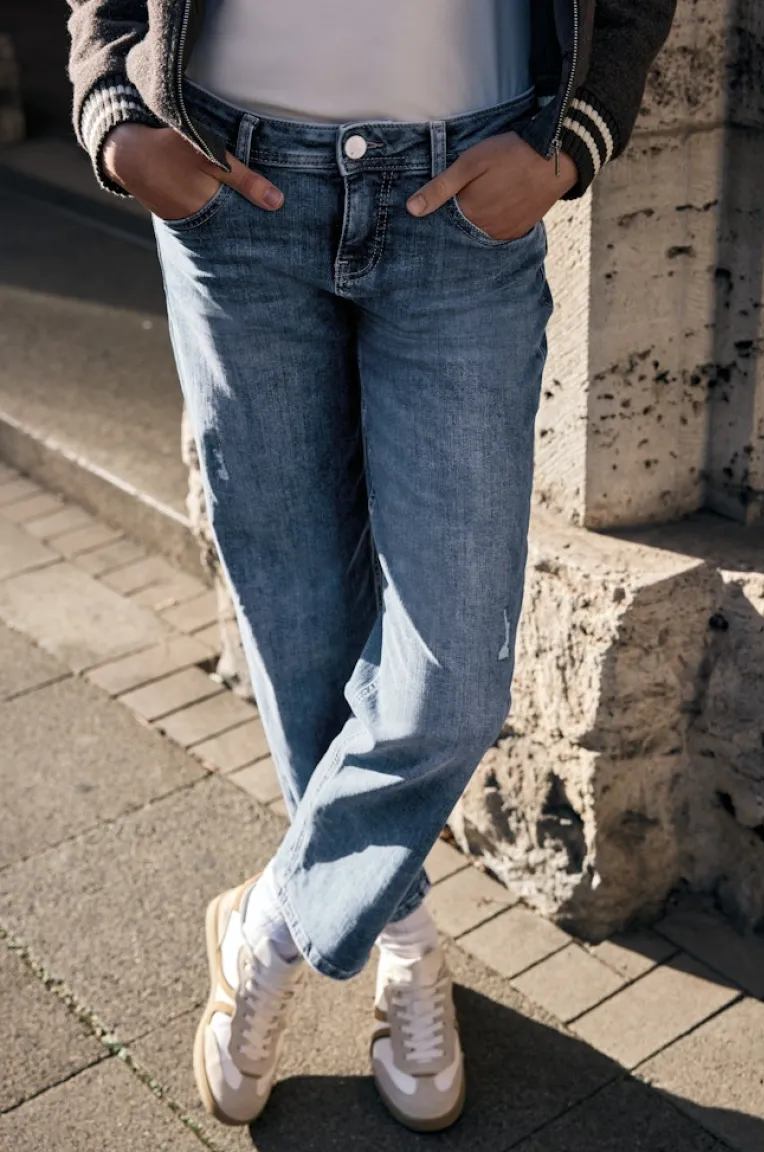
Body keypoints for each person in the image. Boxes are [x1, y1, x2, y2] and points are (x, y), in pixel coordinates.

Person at [67, 0, 676, 1133]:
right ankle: (399, 931)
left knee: (451, 681)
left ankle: (271, 923)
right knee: (299, 627)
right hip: (224, 183)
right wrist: (111, 111)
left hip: (463, 200)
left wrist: (572, 139)